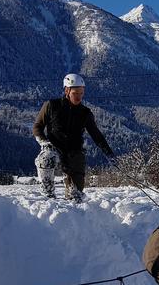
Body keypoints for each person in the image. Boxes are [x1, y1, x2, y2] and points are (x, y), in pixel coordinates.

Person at [32, 73, 115, 202]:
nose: (79, 97)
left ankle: (72, 203)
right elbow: (37, 126)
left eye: (81, 93)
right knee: (46, 157)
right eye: (76, 93)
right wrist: (44, 142)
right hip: (54, 148)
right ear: (67, 90)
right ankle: (48, 194)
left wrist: (110, 155)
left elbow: (96, 135)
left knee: (75, 197)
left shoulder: (85, 113)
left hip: (74, 152)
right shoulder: (51, 106)